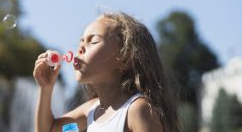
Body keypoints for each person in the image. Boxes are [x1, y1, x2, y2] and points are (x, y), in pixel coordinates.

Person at [33, 12, 180, 132]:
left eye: (93, 41)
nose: (80, 48)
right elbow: (50, 129)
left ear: (124, 58)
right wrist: (46, 88)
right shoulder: (91, 111)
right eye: (81, 42)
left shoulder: (137, 110)